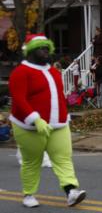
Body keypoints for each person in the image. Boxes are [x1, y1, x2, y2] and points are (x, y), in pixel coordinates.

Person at [8, 33, 86, 208]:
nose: (45, 51)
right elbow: (19, 99)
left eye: (46, 48)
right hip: (28, 127)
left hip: (58, 124)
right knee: (32, 162)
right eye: (40, 48)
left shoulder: (53, 71)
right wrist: (35, 119)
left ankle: (71, 191)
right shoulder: (21, 72)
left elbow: (58, 96)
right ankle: (28, 194)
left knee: (63, 158)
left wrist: (65, 115)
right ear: (31, 51)